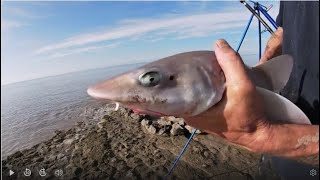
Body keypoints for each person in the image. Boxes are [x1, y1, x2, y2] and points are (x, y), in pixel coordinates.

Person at [183, 0, 319, 174]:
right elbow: (283, 31)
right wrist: (261, 72)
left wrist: (265, 138)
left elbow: (264, 137)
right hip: (280, 143)